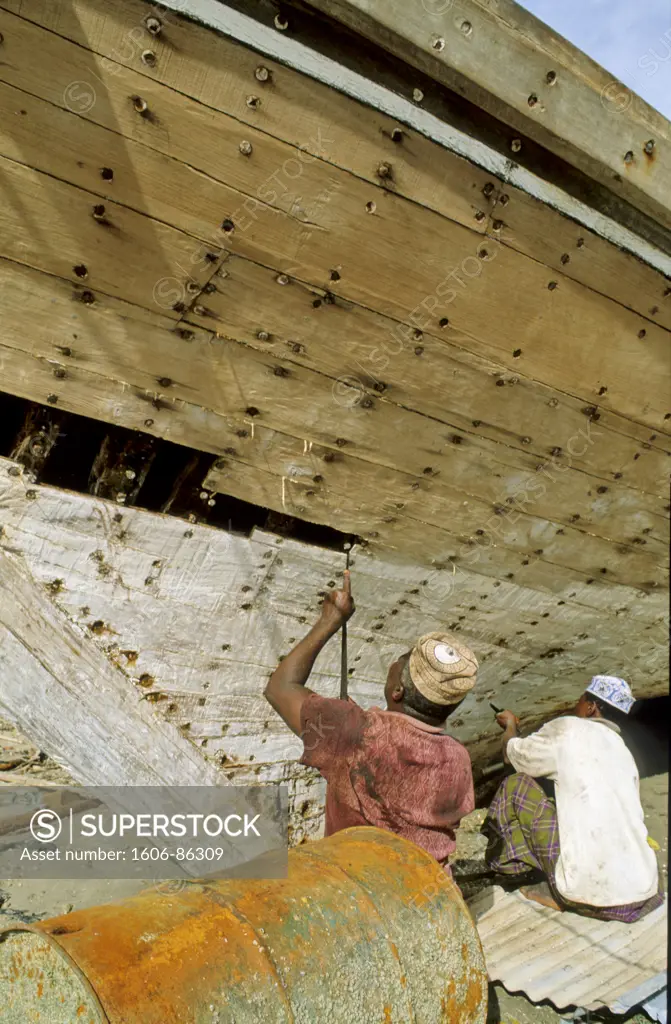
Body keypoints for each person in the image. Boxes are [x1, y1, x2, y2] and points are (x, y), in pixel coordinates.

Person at [264, 569, 478, 870]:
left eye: (402, 660)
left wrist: (331, 619)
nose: (396, 661)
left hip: (360, 893)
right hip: (429, 892)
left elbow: (279, 688)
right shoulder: (459, 757)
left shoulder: (359, 732)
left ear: (397, 690)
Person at [483, 674, 664, 919]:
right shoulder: (623, 751)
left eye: (580, 699)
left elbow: (512, 755)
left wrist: (511, 727)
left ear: (591, 707)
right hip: (645, 893)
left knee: (516, 785)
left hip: (586, 893)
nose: (575, 705)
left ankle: (514, 871)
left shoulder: (568, 728)